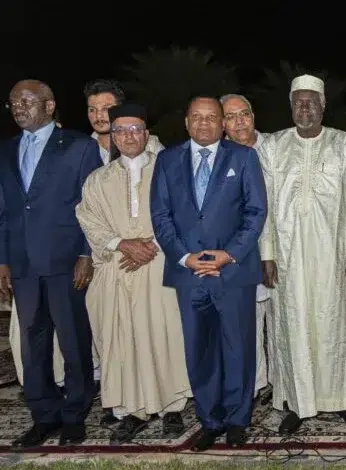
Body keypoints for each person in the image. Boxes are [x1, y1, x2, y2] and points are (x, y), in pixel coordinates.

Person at [150, 96, 267, 451]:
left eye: (211, 118)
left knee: (237, 348)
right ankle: (210, 420)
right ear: (186, 122)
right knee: (199, 350)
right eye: (196, 118)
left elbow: (256, 211)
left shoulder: (243, 157)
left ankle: (236, 420)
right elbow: (161, 216)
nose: (204, 124)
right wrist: (185, 257)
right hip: (189, 274)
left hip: (232, 272)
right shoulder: (167, 160)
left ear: (223, 123)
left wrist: (228, 254)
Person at [258, 74, 346, 435]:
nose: (305, 109)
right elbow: (265, 206)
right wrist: (267, 253)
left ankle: (339, 400)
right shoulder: (273, 146)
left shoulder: (343, 144)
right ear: (291, 106)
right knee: (292, 326)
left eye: (312, 103)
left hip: (332, 255)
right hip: (287, 256)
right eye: (298, 103)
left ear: (323, 107)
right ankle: (297, 401)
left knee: (333, 324)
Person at [75, 103, 192, 443]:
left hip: (159, 268)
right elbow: (88, 219)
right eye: (121, 130)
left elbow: (184, 212)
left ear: (146, 133)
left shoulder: (169, 169)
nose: (128, 136)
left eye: (135, 129)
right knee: (122, 339)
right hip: (116, 269)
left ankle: (172, 407)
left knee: (164, 335)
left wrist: (151, 244)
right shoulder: (98, 179)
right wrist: (121, 243)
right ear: (112, 136)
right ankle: (131, 410)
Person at [0, 79, 102, 447]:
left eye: (27, 101)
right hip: (23, 264)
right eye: (13, 102)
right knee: (32, 343)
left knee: (74, 341)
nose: (19, 107)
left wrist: (86, 254)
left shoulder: (77, 146)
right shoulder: (5, 151)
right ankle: (43, 416)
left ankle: (75, 415)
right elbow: (5, 212)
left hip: (65, 260)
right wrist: (3, 261)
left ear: (49, 105)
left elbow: (92, 207)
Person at [220, 93, 272, 399]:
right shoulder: (218, 155)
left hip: (283, 251)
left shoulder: (277, 148)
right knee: (246, 326)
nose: (240, 122)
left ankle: (286, 387)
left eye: (245, 114)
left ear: (254, 116)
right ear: (223, 123)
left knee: (283, 325)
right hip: (240, 254)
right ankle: (253, 387)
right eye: (231, 116)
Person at [83, 79, 164, 165]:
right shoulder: (81, 150)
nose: (98, 116)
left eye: (106, 109)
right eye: (92, 110)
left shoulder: (149, 145)